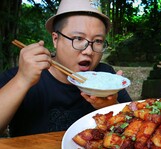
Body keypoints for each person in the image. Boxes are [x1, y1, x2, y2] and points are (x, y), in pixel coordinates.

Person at [0, 0, 131, 137]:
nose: (88, 51)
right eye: (79, 38)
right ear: (55, 39)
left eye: (98, 41)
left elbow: (136, 130)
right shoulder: (21, 75)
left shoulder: (107, 77)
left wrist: (111, 106)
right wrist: (22, 80)